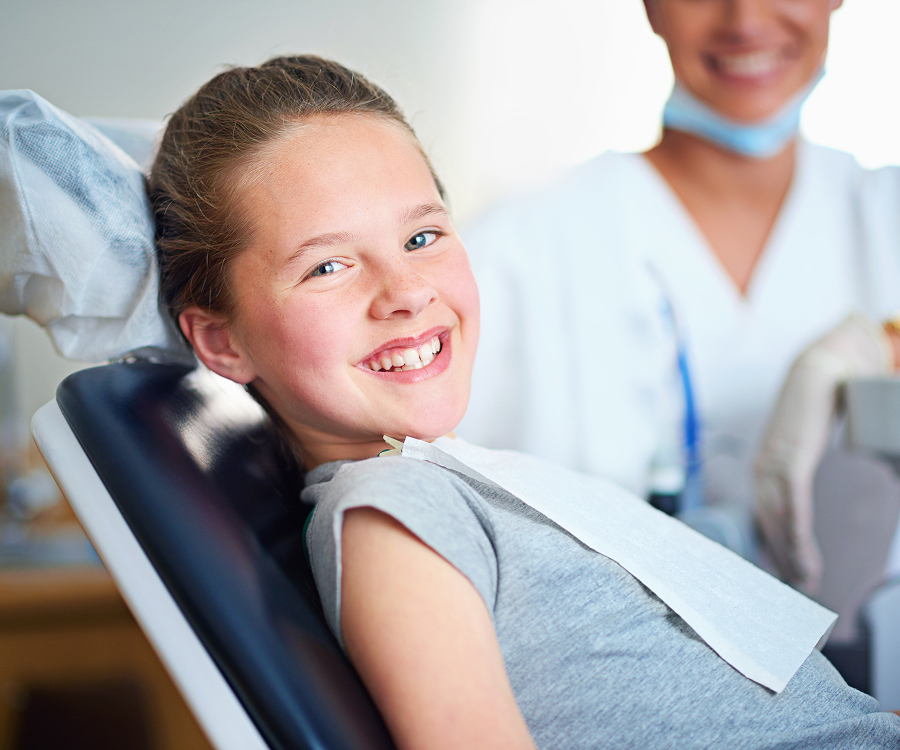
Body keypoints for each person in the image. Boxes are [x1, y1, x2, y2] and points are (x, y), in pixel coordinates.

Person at [148, 54, 900, 749]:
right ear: (222, 343)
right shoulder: (390, 520)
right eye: (329, 266)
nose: (408, 293)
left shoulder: (457, 483)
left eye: (421, 238)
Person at [457, 0, 900, 595]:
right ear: (649, 7)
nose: (743, 20)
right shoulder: (517, 247)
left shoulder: (885, 215)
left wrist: (877, 351)